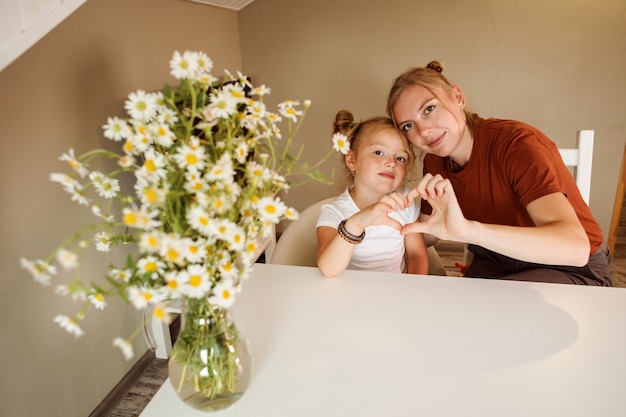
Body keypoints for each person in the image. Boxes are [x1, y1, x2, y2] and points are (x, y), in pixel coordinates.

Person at [387, 60, 611, 285]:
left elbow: (575, 248)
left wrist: (467, 231)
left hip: (571, 269)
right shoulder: (435, 162)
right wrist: (374, 217)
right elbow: (429, 231)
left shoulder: (518, 145)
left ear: (458, 97)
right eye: (408, 126)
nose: (424, 131)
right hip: (497, 262)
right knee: (451, 310)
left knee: (488, 313)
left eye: (429, 109)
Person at [316, 110, 429, 278]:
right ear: (352, 161)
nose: (391, 163)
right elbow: (329, 269)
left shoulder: (405, 202)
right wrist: (355, 224)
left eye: (400, 158)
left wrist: (412, 291)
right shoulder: (334, 212)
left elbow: (416, 256)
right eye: (378, 152)